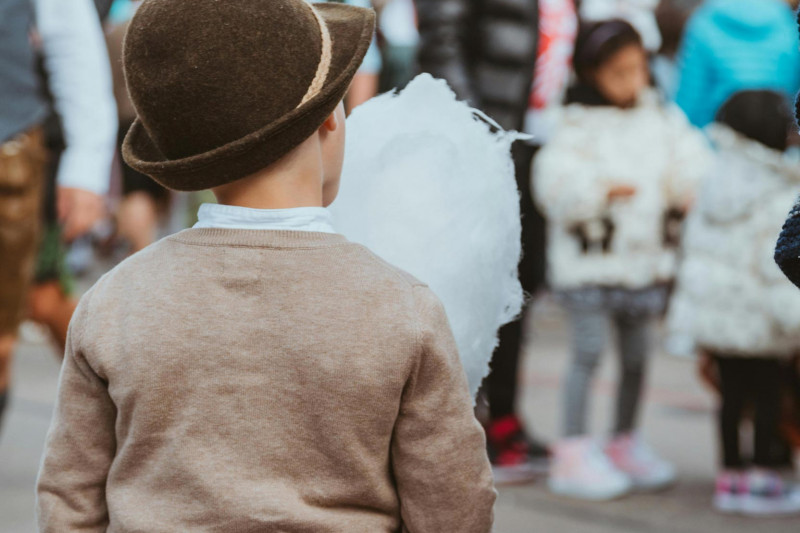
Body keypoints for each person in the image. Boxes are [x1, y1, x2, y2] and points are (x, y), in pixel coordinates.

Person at [35, 1, 496, 531]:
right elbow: (453, 504)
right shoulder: (402, 307)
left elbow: (68, 498)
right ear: (329, 118)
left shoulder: (114, 301)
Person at [533, 19, 711, 500]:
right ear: (592, 74)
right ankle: (571, 449)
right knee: (587, 352)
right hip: (590, 262)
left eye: (637, 70)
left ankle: (623, 440)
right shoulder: (572, 122)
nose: (632, 81)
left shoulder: (660, 116)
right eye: (618, 72)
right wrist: (595, 190)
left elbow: (689, 159)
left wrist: (691, 187)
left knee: (636, 357)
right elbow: (551, 181)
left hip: (644, 260)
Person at [415, 0, 550, 484]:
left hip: (541, 142)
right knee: (473, 285)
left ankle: (505, 414)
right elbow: (441, 43)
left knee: (524, 284)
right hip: (490, 141)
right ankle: (467, 426)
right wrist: (479, 134)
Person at [669, 90, 800, 516]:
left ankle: (729, 476)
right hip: (760, 323)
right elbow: (775, 265)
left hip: (717, 318)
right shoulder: (778, 191)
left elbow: (695, 248)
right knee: (765, 396)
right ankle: (762, 475)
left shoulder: (712, 178)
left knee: (729, 398)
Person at [0, 0, 115, 430]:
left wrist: (87, 165)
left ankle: (124, 410)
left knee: (39, 300)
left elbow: (71, 42)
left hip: (15, 149)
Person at [675, 0, 800, 128]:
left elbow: (687, 104)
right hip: (774, 139)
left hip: (713, 139)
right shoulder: (787, 24)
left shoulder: (703, 21)